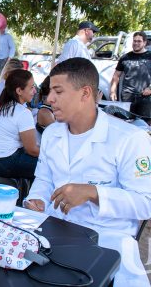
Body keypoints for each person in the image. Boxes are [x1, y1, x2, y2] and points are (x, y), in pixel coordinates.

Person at [25, 57, 151, 286]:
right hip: (54, 234)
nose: (49, 98)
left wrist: (94, 192)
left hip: (105, 242)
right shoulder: (52, 133)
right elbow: (43, 179)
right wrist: (36, 200)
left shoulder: (130, 139)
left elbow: (146, 202)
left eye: (58, 91)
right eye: (50, 91)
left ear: (85, 93)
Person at [0, 69, 39, 183]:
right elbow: (31, 150)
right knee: (48, 167)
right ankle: (32, 199)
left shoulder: (3, 106)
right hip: (2, 162)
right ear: (19, 90)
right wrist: (51, 155)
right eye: (31, 87)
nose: (35, 91)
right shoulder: (23, 113)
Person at [110, 31, 151, 102]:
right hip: (127, 95)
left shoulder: (149, 56)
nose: (136, 43)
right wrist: (112, 91)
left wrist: (150, 88)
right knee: (125, 113)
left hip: (145, 95)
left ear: (144, 43)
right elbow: (116, 75)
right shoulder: (124, 57)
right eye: (134, 41)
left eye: (139, 41)